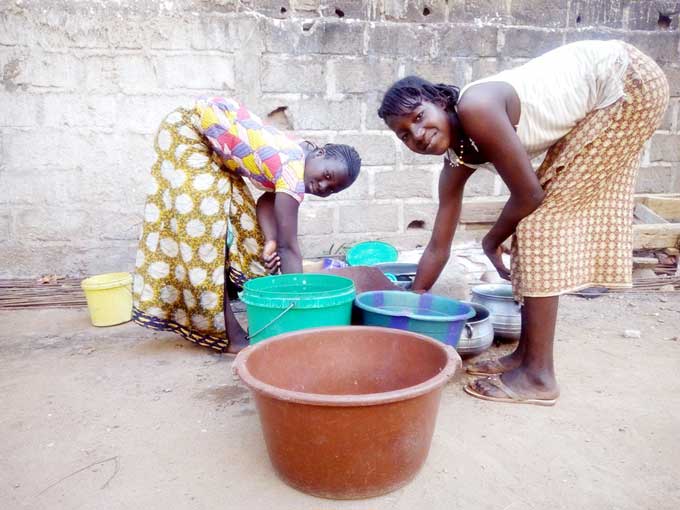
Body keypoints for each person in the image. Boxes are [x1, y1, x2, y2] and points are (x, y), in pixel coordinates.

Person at [378, 40, 669, 405]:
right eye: (404, 134)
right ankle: (525, 357)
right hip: (611, 89)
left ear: (439, 100)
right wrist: (411, 302)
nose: (417, 134)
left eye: (418, 117)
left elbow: (529, 194)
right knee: (534, 223)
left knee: (538, 224)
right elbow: (439, 243)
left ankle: (538, 376)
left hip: (628, 81)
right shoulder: (457, 159)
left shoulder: (476, 107)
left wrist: (491, 240)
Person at [132, 97, 361, 354]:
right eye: (327, 176)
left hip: (211, 145)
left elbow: (267, 201)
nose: (322, 186)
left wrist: (270, 239)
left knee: (248, 229)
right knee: (202, 237)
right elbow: (289, 248)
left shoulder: (298, 157)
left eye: (330, 190)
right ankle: (228, 334)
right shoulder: (294, 174)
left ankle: (259, 315)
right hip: (188, 130)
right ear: (319, 153)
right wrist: (300, 305)